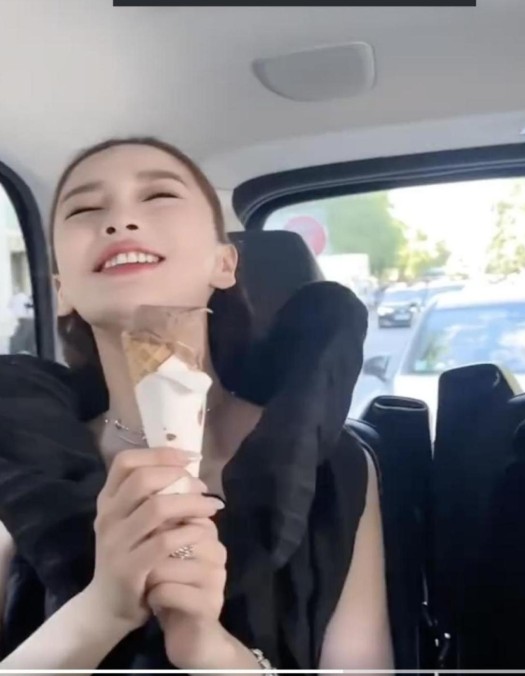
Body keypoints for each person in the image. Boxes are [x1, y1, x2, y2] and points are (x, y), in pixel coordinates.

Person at [0, 137, 393, 671]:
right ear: (62, 289)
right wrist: (102, 612)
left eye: (158, 196)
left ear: (224, 264)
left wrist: (208, 648)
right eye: (86, 208)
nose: (118, 221)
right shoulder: (18, 465)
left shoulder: (334, 466)